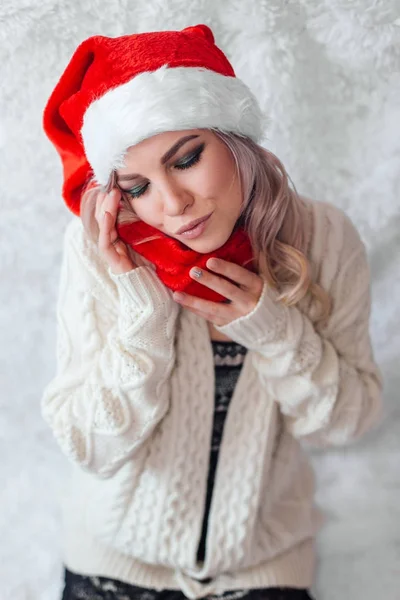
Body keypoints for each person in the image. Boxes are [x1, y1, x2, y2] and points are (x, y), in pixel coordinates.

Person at [41, 24, 383, 600]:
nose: (173, 205)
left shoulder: (324, 238)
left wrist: (273, 329)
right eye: (138, 186)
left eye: (188, 158)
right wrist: (140, 311)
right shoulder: (104, 252)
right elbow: (90, 447)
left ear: (234, 138)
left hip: (266, 569)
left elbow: (345, 423)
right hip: (115, 565)